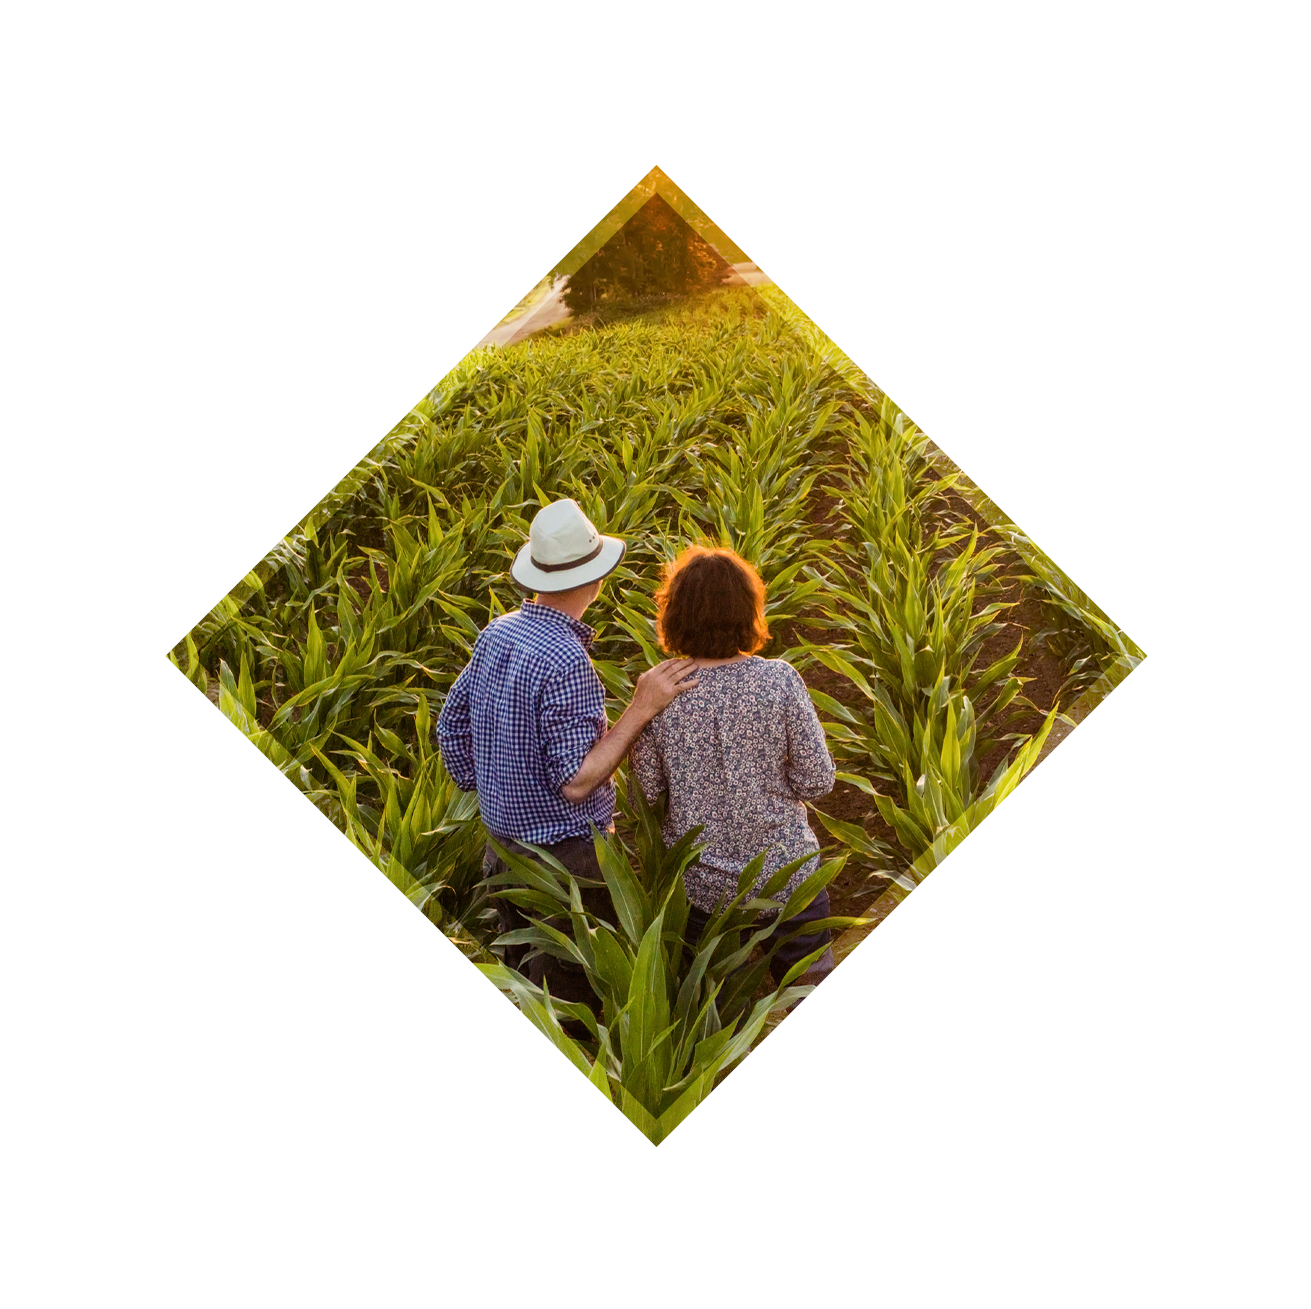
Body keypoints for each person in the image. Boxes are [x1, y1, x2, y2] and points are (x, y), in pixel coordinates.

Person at [436, 497, 699, 1001]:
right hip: (565, 861)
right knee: (572, 995)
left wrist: (495, 786)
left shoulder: (497, 632)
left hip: (500, 847)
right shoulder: (566, 659)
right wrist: (640, 708)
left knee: (524, 978)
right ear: (595, 579)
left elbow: (450, 728)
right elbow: (576, 781)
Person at [628, 545, 838, 991]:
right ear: (748, 610)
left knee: (713, 1017)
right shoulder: (779, 679)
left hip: (703, 891)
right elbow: (818, 780)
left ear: (674, 615)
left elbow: (642, 800)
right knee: (811, 991)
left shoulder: (661, 689)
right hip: (788, 875)